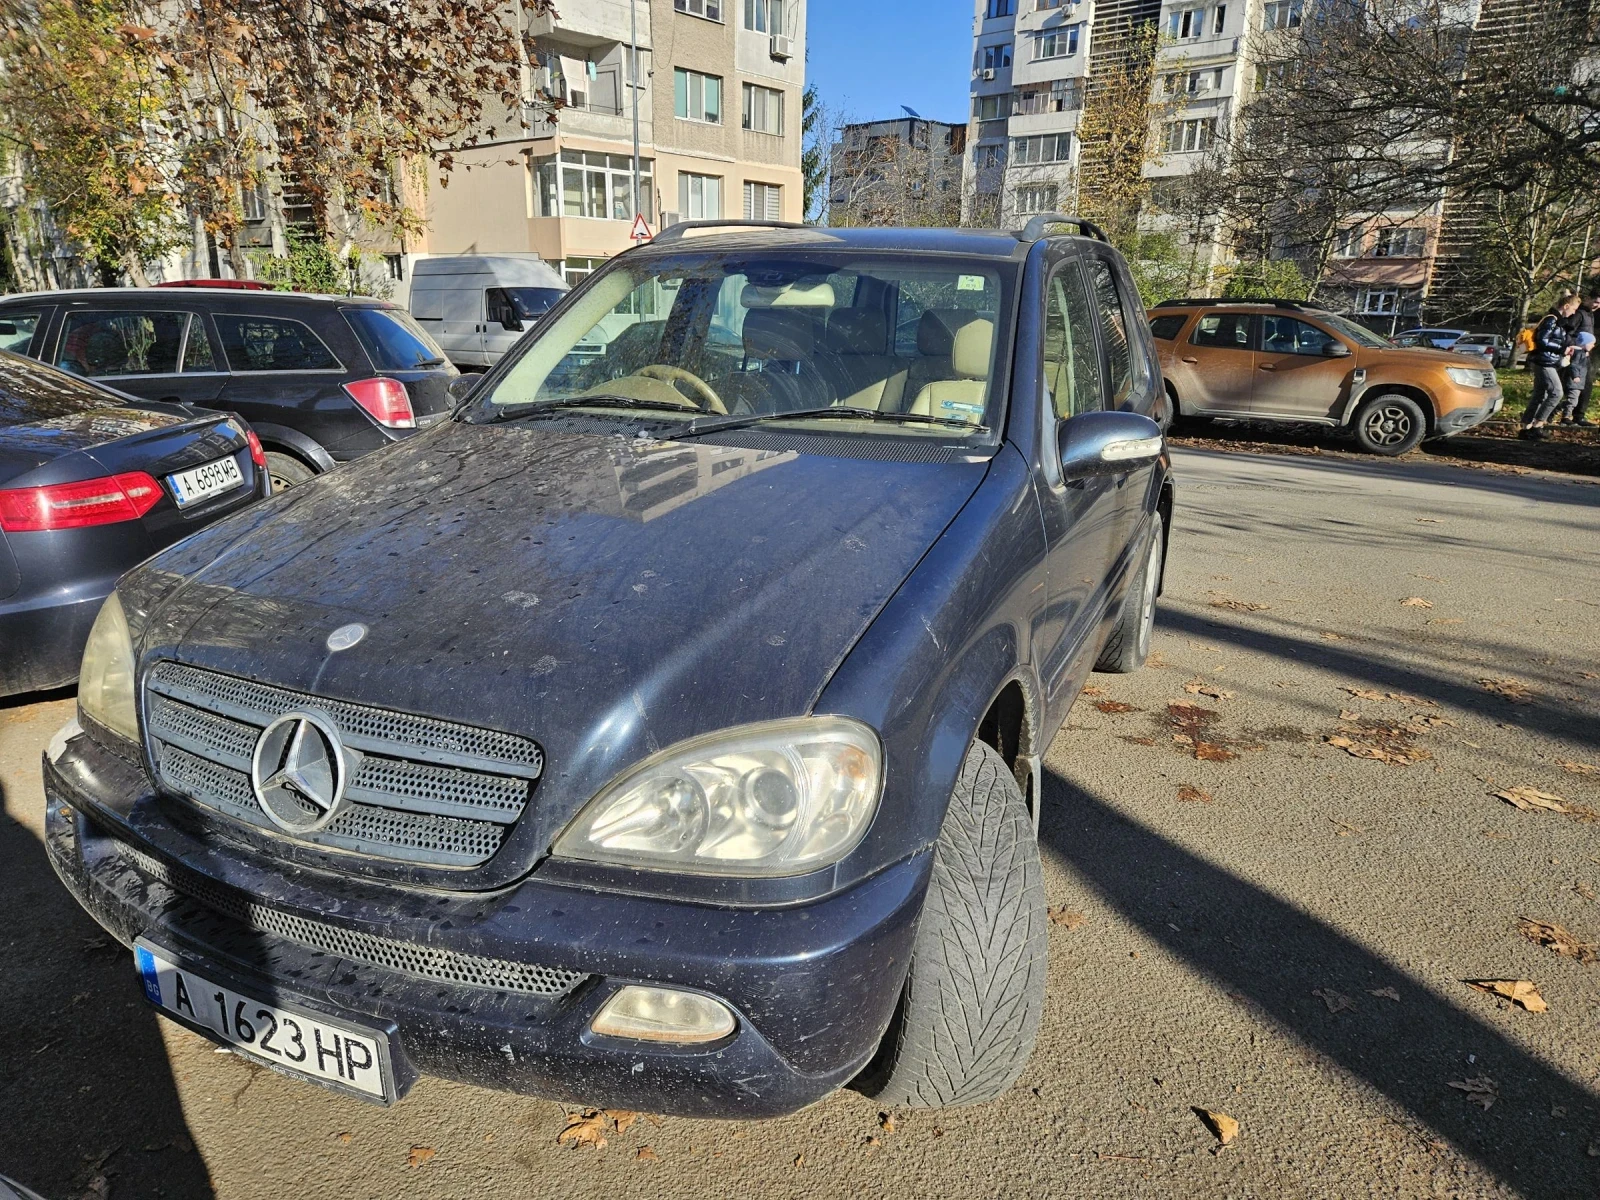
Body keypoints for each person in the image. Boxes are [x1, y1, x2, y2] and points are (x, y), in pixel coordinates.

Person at [1522, 292, 1580, 439]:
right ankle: (1538, 424)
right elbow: (1542, 340)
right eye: (1573, 309)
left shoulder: (1557, 321)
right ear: (1566, 306)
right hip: (1544, 361)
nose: (1574, 313)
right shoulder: (1552, 320)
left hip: (1545, 360)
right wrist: (1562, 349)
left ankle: (1526, 426)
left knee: (1540, 395)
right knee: (1556, 392)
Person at [1560, 292, 1600, 427]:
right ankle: (1567, 414)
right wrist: (1575, 347)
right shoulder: (1579, 314)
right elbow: (1569, 331)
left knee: (1586, 384)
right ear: (1588, 299)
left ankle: (1579, 415)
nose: (1597, 306)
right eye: (1596, 302)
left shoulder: (1590, 314)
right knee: (1574, 387)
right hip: (1577, 355)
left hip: (1585, 354)